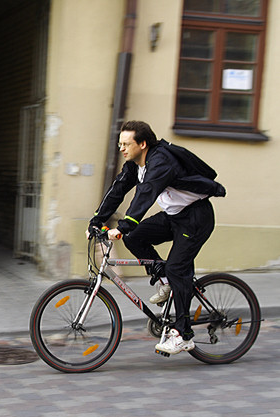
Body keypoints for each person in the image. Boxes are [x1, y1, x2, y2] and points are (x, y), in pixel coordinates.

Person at [88, 120, 226, 355]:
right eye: (119, 144)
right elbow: (118, 189)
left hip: (196, 218)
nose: (121, 148)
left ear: (142, 144)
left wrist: (123, 225)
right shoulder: (135, 164)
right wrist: (96, 221)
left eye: (126, 144)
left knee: (176, 268)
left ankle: (184, 335)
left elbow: (146, 193)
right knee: (135, 238)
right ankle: (166, 282)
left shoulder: (161, 160)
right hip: (174, 216)